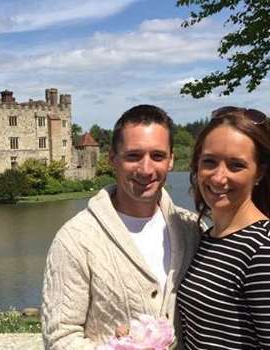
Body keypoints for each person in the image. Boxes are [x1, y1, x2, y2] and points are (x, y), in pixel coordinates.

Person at [41, 104, 202, 349]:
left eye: (157, 156)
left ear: (171, 160)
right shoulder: (75, 240)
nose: (146, 169)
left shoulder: (193, 229)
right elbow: (59, 339)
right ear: (112, 159)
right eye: (133, 156)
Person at [177, 106, 270, 349]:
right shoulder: (208, 238)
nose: (218, 177)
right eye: (209, 162)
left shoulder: (266, 250)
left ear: (259, 173)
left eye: (236, 165)